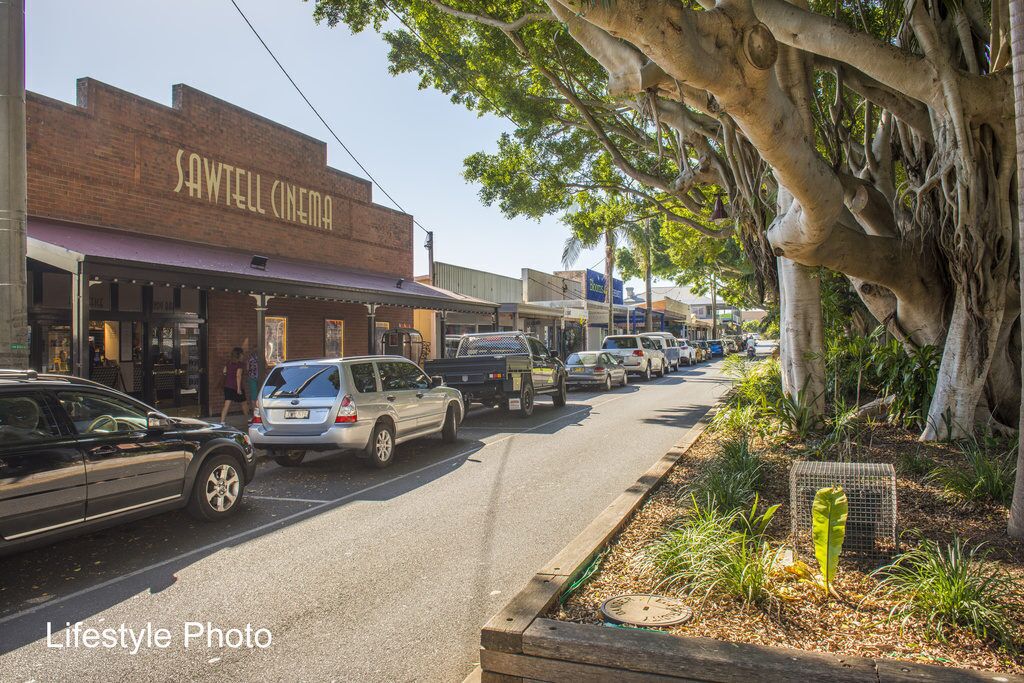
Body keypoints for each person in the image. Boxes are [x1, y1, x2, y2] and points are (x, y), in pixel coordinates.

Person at [220, 347, 249, 423]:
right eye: (242, 354)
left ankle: (222, 422)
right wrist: (238, 389)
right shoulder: (240, 364)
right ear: (239, 355)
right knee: (244, 403)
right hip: (236, 387)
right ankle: (248, 420)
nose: (243, 355)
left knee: (226, 405)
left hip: (228, 386)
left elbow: (224, 371)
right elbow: (238, 376)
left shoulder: (228, 363)